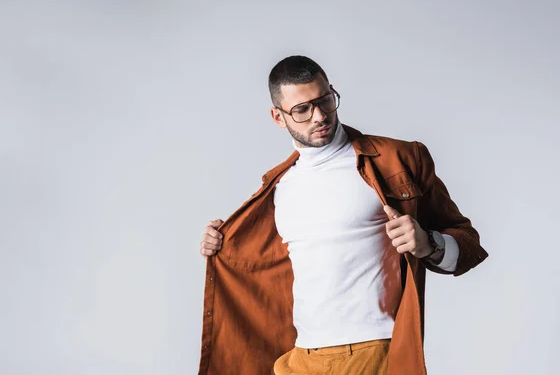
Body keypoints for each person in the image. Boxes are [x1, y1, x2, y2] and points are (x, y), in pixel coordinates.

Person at [198, 55, 488, 375]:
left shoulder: (397, 160)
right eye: (302, 109)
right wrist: (220, 244)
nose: (319, 116)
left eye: (325, 101)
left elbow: (468, 245)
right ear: (278, 117)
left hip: (372, 350)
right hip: (300, 356)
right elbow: (259, 267)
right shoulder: (278, 185)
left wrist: (429, 243)